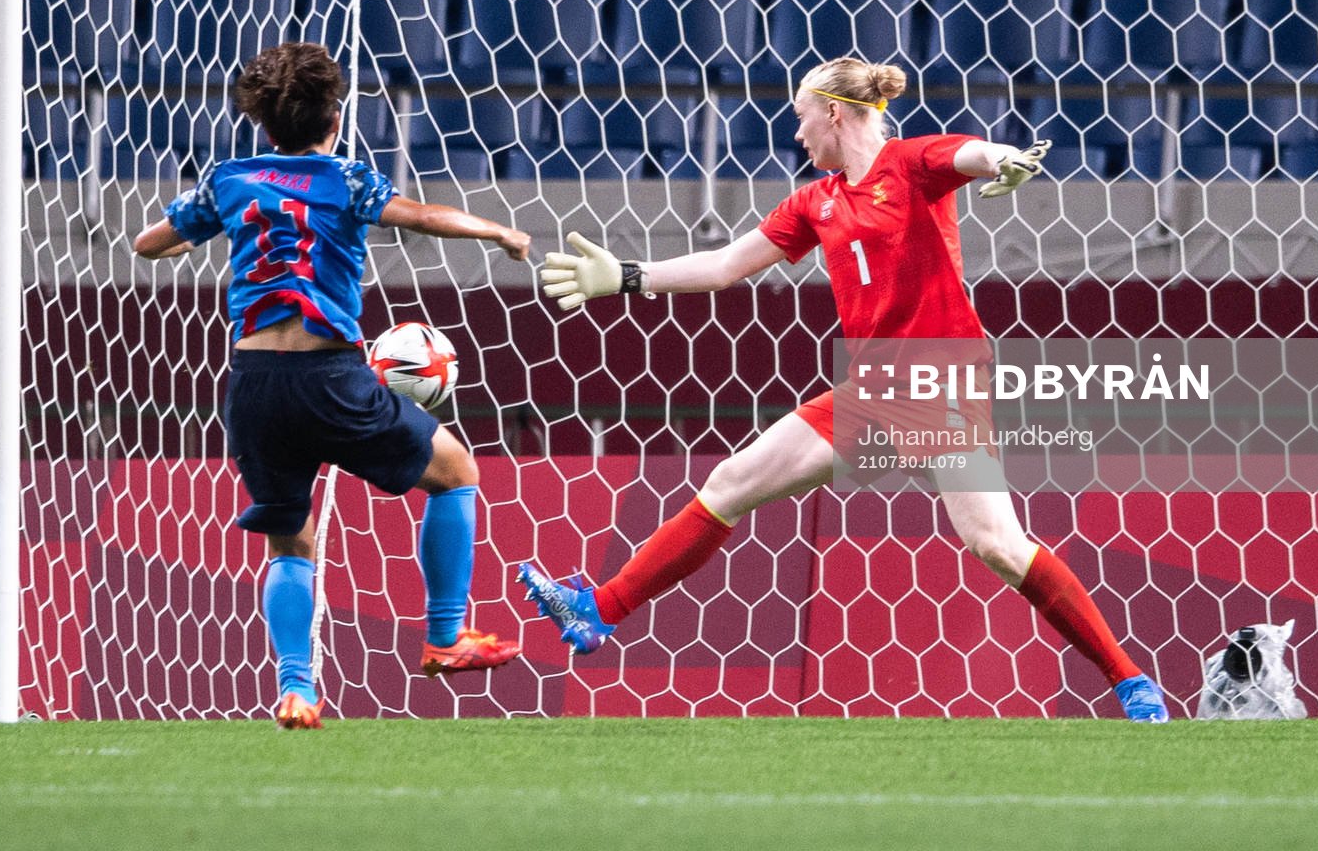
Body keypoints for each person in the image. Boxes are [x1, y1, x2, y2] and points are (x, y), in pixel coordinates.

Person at [518, 55, 1169, 722]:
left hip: (937, 378)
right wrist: (628, 275)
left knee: (996, 545)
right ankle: (599, 608)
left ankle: (1130, 680)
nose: (797, 134)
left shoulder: (911, 163)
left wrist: (1006, 160)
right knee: (731, 484)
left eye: (801, 117)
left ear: (833, 111)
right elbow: (723, 265)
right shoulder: (816, 201)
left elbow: (972, 154)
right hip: (874, 389)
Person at [133, 41, 530, 729]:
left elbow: (147, 243)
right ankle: (443, 636)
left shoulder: (229, 180)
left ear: (264, 126)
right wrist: (498, 231)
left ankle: (296, 689)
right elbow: (425, 216)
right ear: (334, 119)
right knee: (456, 471)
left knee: (290, 539)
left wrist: (193, 230)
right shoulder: (347, 179)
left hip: (254, 384)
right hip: (330, 377)